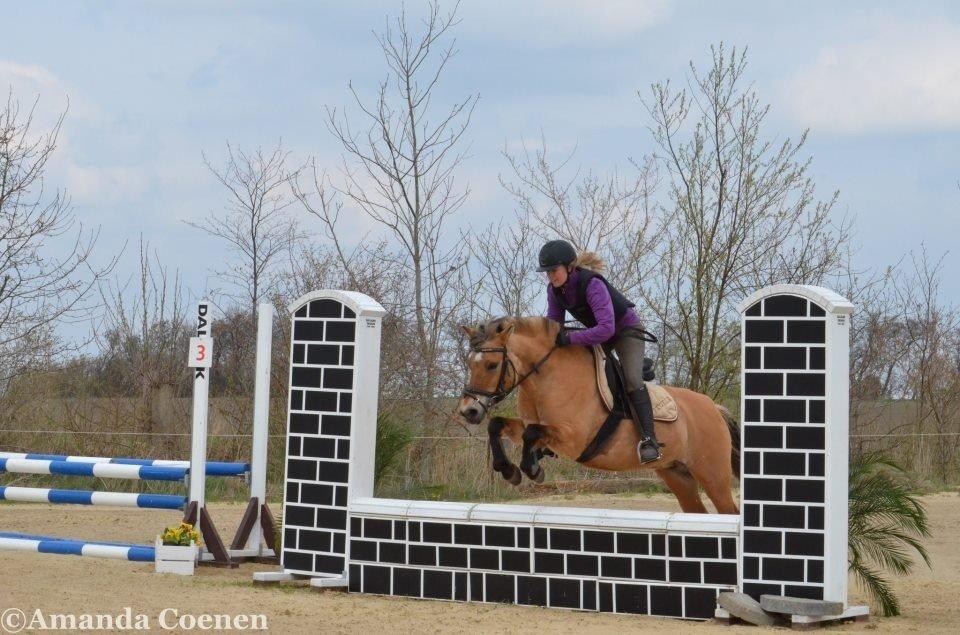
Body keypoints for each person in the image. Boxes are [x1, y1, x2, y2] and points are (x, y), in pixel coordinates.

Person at [538, 239, 661, 464]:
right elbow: (554, 326)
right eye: (547, 273)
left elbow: (607, 329)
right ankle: (553, 436)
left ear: (568, 267)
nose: (551, 277)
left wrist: (571, 338)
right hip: (599, 333)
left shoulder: (592, 284)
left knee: (632, 380)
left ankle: (649, 440)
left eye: (553, 271)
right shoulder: (554, 291)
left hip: (625, 331)